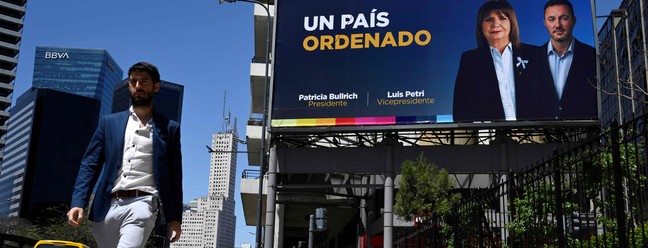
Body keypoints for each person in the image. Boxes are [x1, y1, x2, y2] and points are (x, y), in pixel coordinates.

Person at [67, 62, 183, 247]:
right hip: (106, 207)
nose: (138, 86)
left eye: (144, 81)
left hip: (143, 203)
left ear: (156, 87)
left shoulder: (170, 128)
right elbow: (90, 164)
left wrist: (175, 218)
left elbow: (175, 176)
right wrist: (78, 202)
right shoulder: (109, 123)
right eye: (133, 81)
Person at [453, 0, 552, 122]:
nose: (496, 24)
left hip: (532, 133)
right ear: (480, 25)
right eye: (488, 19)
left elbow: (549, 99)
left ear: (512, 23)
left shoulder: (535, 54)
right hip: (489, 135)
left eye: (502, 18)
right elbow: (460, 108)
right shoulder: (470, 60)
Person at [541, 0, 597, 119]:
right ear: (545, 23)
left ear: (574, 21)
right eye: (551, 19)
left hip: (585, 134)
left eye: (564, 18)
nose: (557, 25)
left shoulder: (592, 56)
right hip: (542, 134)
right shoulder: (533, 59)